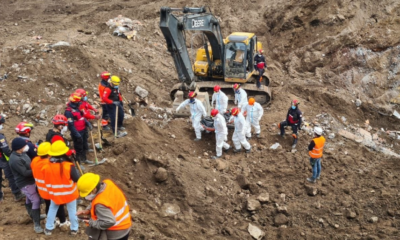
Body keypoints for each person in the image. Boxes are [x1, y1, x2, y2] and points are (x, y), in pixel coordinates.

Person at [77, 173, 132, 240]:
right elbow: (101, 200)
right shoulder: (107, 183)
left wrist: (91, 223)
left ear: (94, 189)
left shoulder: (100, 205)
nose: (86, 197)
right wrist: (88, 210)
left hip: (116, 232)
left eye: (87, 194)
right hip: (125, 225)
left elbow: (110, 221)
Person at [42, 141, 80, 236]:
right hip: (70, 193)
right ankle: (74, 229)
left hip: (56, 194)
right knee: (72, 211)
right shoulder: (68, 166)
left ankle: (48, 228)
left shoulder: (47, 166)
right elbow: (76, 178)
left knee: (52, 209)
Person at [31, 142, 70, 229]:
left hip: (41, 189)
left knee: (48, 204)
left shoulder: (35, 161)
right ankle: (63, 221)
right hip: (51, 189)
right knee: (58, 204)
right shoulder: (48, 164)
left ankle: (52, 220)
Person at [9, 137, 43, 233]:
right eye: (24, 145)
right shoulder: (15, 159)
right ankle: (37, 223)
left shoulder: (22, 153)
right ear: (19, 148)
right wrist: (38, 170)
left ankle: (33, 215)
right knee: (36, 200)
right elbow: (24, 172)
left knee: (29, 198)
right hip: (24, 183)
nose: (26, 146)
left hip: (30, 180)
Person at [0, 115, 24, 202]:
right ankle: (17, 193)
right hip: (3, 159)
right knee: (10, 176)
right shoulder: (1, 137)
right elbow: (5, 149)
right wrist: (11, 156)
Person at [65, 92, 92, 166]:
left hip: (83, 129)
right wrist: (77, 134)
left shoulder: (78, 108)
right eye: (78, 101)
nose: (80, 102)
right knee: (78, 147)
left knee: (83, 145)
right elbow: (70, 125)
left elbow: (82, 118)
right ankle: (79, 163)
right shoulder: (68, 112)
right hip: (77, 132)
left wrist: (87, 123)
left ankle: (84, 159)